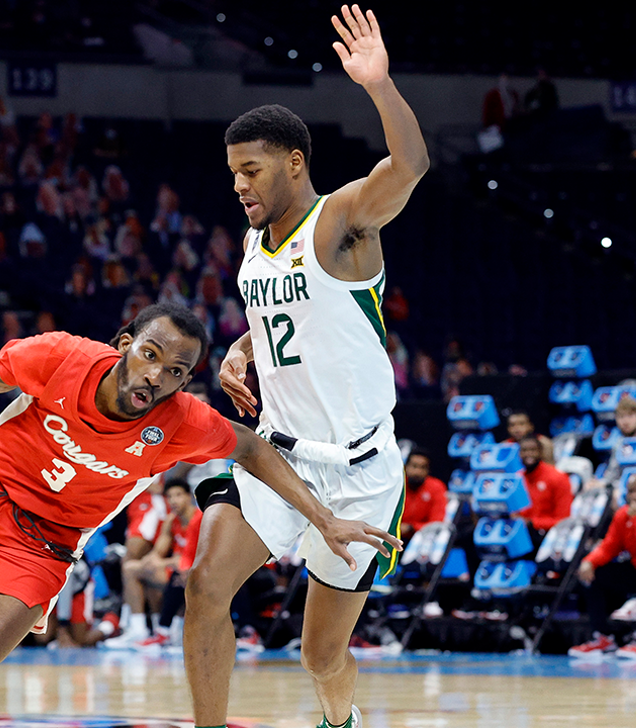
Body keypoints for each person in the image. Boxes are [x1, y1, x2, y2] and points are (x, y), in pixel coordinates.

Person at [0, 303, 399, 728]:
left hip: (40, 544)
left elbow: (252, 447)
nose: (156, 376)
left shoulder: (181, 422)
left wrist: (321, 516)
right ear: (124, 343)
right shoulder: (59, 355)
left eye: (176, 371)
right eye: (150, 355)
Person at [186, 8, 425, 728]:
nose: (238, 185)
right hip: (277, 458)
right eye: (232, 173)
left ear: (294, 162)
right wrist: (242, 347)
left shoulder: (343, 220)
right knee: (203, 587)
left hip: (357, 470)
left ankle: (339, 721)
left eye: (250, 169)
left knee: (320, 655)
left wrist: (380, 88)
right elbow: (287, 319)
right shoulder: (256, 244)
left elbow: (409, 165)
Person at [568, 474, 636, 658]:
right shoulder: (623, 515)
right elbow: (609, 547)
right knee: (595, 573)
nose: (634, 496)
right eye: (631, 491)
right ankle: (602, 637)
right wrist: (589, 562)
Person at [107, 479, 202, 648]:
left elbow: (188, 559)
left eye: (178, 495)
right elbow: (157, 552)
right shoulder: (172, 520)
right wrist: (148, 562)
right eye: (170, 496)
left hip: (198, 574)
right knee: (131, 568)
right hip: (177, 572)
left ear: (189, 497)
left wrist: (161, 562)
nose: (173, 500)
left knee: (179, 574)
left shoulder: (199, 519)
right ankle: (140, 630)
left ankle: (166, 631)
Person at [516, 435, 572, 535]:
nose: (528, 454)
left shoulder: (558, 478)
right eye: (524, 450)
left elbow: (563, 520)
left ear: (541, 452)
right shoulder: (517, 479)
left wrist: (532, 523)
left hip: (547, 534)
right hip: (521, 534)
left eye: (533, 450)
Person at [400, 448, 447, 541]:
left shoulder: (436, 487)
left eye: (423, 467)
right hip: (392, 535)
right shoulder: (397, 484)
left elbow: (436, 522)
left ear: (428, 470)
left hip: (422, 539)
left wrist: (412, 528)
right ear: (405, 467)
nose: (417, 472)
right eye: (414, 466)